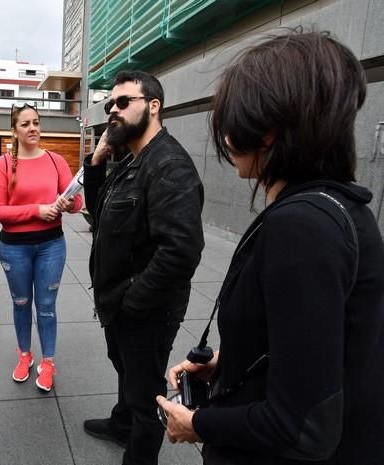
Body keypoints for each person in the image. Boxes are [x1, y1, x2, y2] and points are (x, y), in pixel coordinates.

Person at [157, 31, 384, 465]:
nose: (224, 136)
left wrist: (196, 423)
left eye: (232, 120)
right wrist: (229, 361)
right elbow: (324, 351)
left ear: (267, 132)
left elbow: (302, 427)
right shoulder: (343, 208)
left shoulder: (302, 227)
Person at [82, 70, 204, 465]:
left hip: (145, 309)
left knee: (145, 395)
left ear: (154, 106)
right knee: (127, 373)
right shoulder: (134, 160)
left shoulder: (169, 165)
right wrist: (97, 161)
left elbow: (181, 252)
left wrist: (132, 302)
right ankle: (121, 424)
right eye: (109, 105)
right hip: (119, 302)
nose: (112, 111)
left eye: (123, 102)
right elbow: (100, 217)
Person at [0, 103, 83, 392]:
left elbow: (77, 203)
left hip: (51, 246)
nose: (33, 128)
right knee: (21, 303)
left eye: (36, 122)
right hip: (15, 248)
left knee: (46, 306)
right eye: (25, 123)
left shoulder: (56, 161)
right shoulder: (3, 164)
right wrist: (36, 211)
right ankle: (25, 355)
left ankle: (49, 362)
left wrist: (69, 203)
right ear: (14, 130)